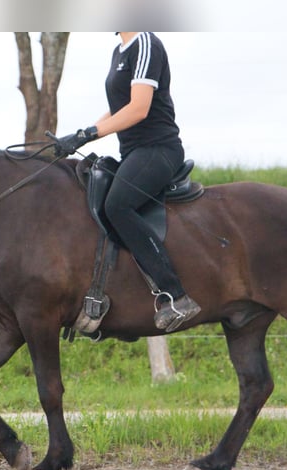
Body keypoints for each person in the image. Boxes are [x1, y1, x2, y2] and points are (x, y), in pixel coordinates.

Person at [51, 32, 201, 332]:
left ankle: (176, 295)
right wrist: (82, 132)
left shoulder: (145, 43)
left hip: (159, 149)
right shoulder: (119, 50)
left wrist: (89, 135)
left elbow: (138, 108)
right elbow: (121, 106)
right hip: (133, 151)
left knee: (118, 205)